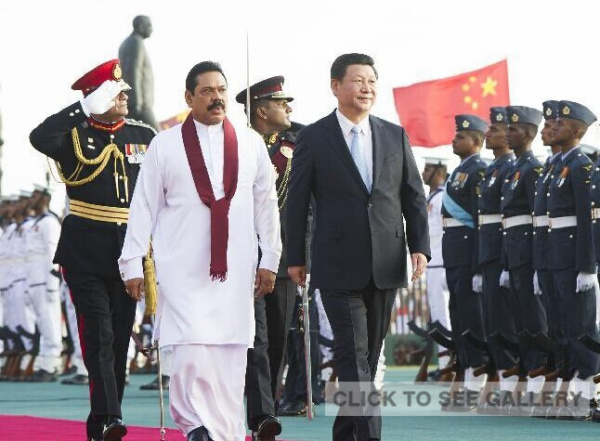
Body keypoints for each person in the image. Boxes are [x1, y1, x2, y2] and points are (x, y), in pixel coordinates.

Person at [118, 61, 281, 441]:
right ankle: (195, 426)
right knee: (190, 352)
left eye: (221, 89)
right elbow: (143, 206)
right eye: (206, 91)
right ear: (189, 97)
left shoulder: (249, 141)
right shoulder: (164, 144)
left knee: (229, 356)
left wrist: (270, 259)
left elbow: (265, 205)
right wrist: (132, 263)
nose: (217, 97)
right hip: (181, 267)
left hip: (236, 268)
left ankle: (223, 433)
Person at [286, 53, 430, 441]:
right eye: (357, 80)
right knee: (352, 354)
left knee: (365, 357)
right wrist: (295, 257)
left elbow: (413, 196)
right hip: (336, 263)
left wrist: (421, 247)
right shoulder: (314, 137)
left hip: (386, 261)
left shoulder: (393, 134)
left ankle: (345, 434)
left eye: (372, 80)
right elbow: (296, 202)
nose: (366, 87)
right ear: (336, 86)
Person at [29, 58, 156, 441]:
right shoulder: (72, 134)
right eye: (115, 93)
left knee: (118, 338)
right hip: (84, 250)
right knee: (98, 334)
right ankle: (111, 416)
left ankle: (101, 420)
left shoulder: (144, 136)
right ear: (96, 97)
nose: (124, 98)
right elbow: (38, 137)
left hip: (129, 251)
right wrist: (84, 108)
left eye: (123, 92)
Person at [234, 76, 299, 439]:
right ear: (261, 110)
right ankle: (261, 416)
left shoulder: (297, 144)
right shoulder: (237, 145)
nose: (288, 108)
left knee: (277, 338)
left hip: (284, 255)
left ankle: (266, 407)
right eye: (281, 103)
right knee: (254, 337)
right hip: (245, 253)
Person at [547, 100, 600, 420]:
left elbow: (588, 220)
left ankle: (586, 396)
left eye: (560, 124)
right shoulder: (557, 165)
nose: (553, 128)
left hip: (574, 256)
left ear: (577, 130)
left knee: (583, 328)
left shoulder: (581, 166)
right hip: (557, 254)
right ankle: (573, 396)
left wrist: (588, 266)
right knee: (565, 326)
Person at [500, 106, 546, 408]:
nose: (507, 133)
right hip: (514, 254)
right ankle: (530, 375)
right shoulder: (515, 169)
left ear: (529, 133)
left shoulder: (532, 168)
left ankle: (540, 379)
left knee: (535, 319)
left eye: (513, 129)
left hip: (528, 253)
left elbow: (536, 218)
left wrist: (536, 263)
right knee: (522, 321)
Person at [442, 115, 488, 402]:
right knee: (458, 314)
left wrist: (478, 264)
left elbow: (480, 222)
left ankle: (478, 377)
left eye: (460, 136)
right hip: (454, 251)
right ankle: (466, 372)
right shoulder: (459, 170)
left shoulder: (478, 171)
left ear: (476, 141)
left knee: (472, 316)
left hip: (469, 250)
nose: (454, 139)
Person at [476, 107, 516, 402]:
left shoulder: (509, 167)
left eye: (494, 130)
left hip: (504, 252)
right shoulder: (493, 168)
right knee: (493, 320)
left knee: (507, 320)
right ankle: (503, 383)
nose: (487, 134)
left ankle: (514, 386)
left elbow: (507, 219)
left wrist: (504, 261)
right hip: (488, 250)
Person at [25, 185, 63, 382]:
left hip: (45, 279)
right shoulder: (35, 223)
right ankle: (44, 363)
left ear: (45, 199)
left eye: (35, 195)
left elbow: (52, 253)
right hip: (34, 280)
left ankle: (52, 364)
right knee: (42, 323)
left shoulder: (49, 223)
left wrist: (52, 281)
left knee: (50, 323)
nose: (31, 199)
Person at [421, 157, 452, 373]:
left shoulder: (441, 198)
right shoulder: (432, 197)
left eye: (428, 169)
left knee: (443, 317)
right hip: (433, 263)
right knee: (437, 316)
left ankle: (447, 364)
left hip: (441, 263)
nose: (424, 173)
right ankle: (443, 363)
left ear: (440, 171)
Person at [119, 15, 158, 130]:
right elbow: (133, 71)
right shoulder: (136, 42)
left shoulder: (126, 43)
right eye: (149, 26)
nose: (151, 29)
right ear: (141, 27)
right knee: (158, 136)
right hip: (140, 103)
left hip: (132, 101)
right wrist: (137, 102)